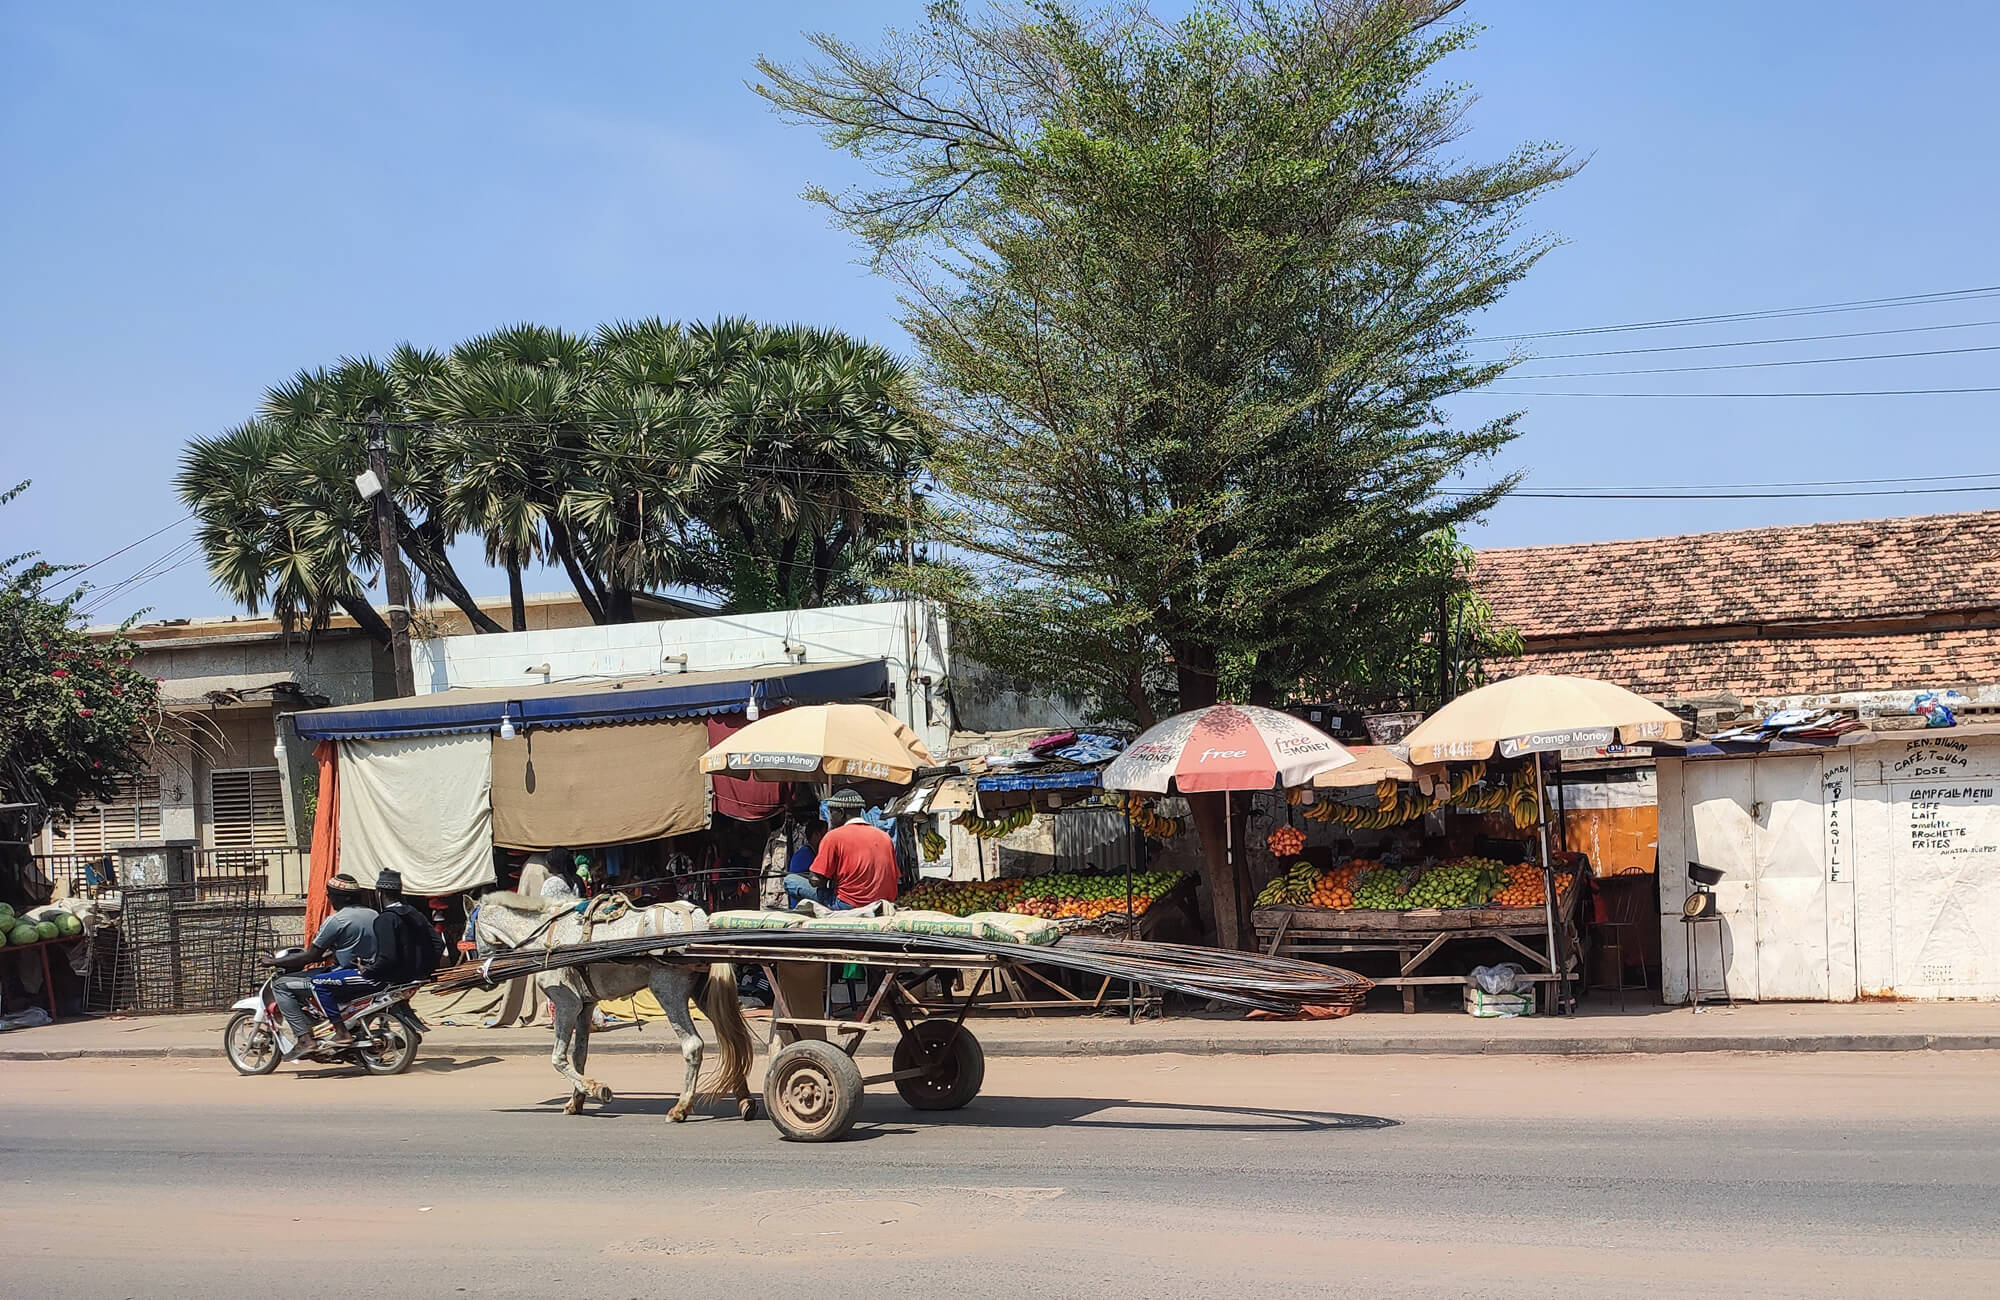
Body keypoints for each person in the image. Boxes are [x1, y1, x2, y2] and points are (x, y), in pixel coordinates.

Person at [273, 872, 380, 1058]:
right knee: (315, 973)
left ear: (343, 897)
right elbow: (352, 946)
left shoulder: (337, 920)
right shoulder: (373, 914)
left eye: (330, 895)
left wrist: (274, 961)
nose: (329, 899)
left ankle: (305, 1039)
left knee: (281, 985)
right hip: (369, 972)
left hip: (344, 976)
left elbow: (310, 956)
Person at [785, 789, 898, 911]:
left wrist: (815, 876)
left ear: (841, 812)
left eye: (831, 813)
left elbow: (816, 881)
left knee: (790, 880)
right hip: (882, 902)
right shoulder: (884, 837)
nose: (830, 818)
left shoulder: (833, 836)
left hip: (847, 904)